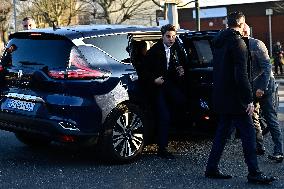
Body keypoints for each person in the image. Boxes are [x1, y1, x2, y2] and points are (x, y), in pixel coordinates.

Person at [205, 11, 275, 184]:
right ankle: (254, 173)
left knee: (221, 134)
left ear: (228, 23)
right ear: (242, 24)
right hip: (236, 99)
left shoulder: (218, 42)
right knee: (249, 134)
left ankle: (211, 168)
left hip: (222, 96)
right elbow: (241, 75)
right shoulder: (238, 43)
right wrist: (248, 99)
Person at [143, 24, 185, 159]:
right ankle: (162, 148)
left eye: (173, 36)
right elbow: (143, 71)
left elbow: (174, 66)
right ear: (162, 37)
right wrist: (154, 80)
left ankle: (183, 132)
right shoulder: (154, 51)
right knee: (164, 116)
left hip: (169, 85)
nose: (171, 39)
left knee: (183, 102)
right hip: (156, 87)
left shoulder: (176, 49)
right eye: (168, 36)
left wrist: (180, 70)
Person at [243, 23, 284, 162]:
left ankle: (279, 151)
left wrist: (261, 88)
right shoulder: (239, 46)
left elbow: (267, 69)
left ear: (246, 31)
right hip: (252, 89)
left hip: (265, 88)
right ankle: (259, 147)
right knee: (253, 117)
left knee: (270, 118)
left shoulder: (257, 45)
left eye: (242, 31)